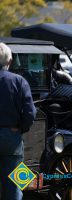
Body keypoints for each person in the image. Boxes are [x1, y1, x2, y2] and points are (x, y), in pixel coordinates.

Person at [0, 43, 36, 200]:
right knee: (15, 183)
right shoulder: (19, 81)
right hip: (11, 137)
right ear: (10, 60)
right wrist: (20, 128)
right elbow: (30, 113)